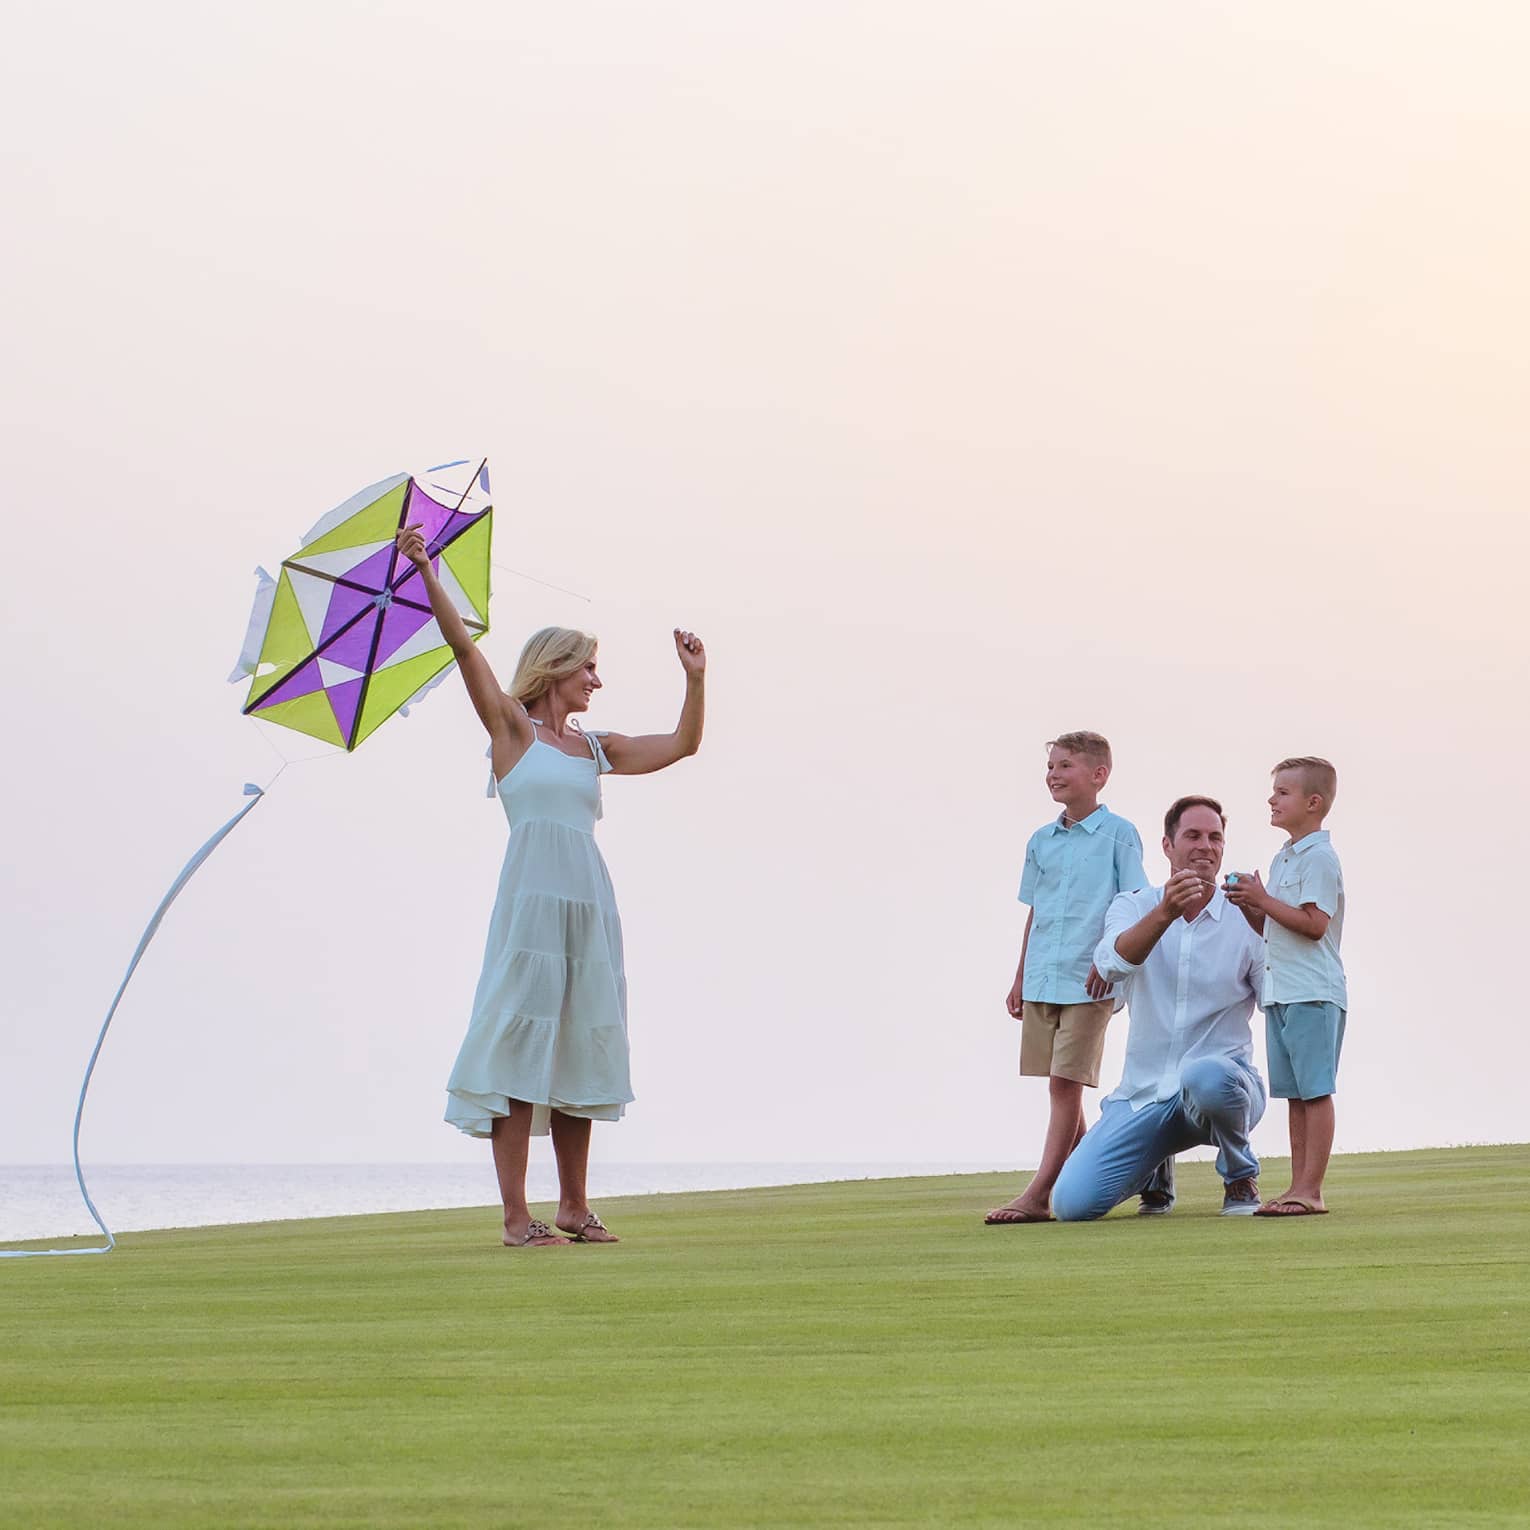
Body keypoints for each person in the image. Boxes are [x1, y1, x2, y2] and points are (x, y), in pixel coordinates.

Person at [395, 521, 706, 1247]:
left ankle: (573, 1206)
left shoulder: (596, 749)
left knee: (579, 1043)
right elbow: (465, 649)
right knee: (516, 1042)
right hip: (530, 903)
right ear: (557, 669)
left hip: (588, 903)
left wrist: (696, 679)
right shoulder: (511, 730)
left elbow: (684, 745)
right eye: (589, 668)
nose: (598, 679)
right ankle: (514, 1216)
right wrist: (426, 572)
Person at [1049, 797, 1267, 1221]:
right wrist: (1165, 912)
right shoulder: (1133, 905)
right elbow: (1110, 962)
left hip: (1223, 1088)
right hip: (1143, 1096)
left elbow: (1274, 996)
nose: (1205, 846)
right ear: (1167, 846)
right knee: (1071, 1205)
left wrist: (1271, 923)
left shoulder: (1245, 918)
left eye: (1215, 837)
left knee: (1204, 1073)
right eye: (1193, 836)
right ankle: (1154, 1170)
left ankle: (1240, 1175)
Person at [986, 732, 1146, 1224]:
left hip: (1089, 980)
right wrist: (1018, 978)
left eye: (1066, 765)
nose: (1053, 774)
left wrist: (1111, 963)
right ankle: (1115, 1170)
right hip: (1041, 978)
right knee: (1059, 1087)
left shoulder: (1121, 835)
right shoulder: (1040, 841)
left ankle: (1039, 1194)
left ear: (1099, 775)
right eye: (1051, 766)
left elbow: (1133, 906)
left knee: (1065, 1085)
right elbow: (1037, 912)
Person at [1223, 757, 1346, 1217]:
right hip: (1282, 992)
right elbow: (1274, 930)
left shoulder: (1319, 858)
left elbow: (1315, 925)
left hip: (1313, 992)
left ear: (1313, 803)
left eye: (1283, 793)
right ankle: (1298, 1187)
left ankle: (1311, 1191)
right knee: (1295, 1096)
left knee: (1315, 1092)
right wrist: (1249, 906)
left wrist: (1264, 899)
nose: (1272, 799)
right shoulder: (1284, 858)